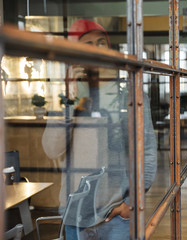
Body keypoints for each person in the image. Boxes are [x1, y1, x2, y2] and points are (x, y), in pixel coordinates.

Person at [42, 19, 157, 239]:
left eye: (101, 42)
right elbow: (51, 149)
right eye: (87, 44)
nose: (95, 49)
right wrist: (68, 100)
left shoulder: (129, 95)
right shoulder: (67, 96)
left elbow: (147, 153)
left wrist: (130, 203)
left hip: (117, 216)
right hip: (75, 214)